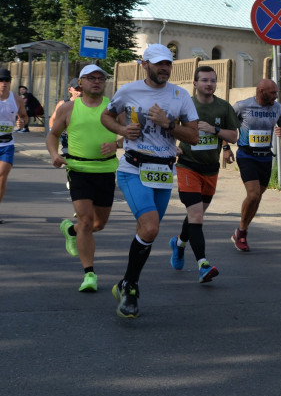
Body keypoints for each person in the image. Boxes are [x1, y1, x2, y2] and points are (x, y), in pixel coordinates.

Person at [101, 44, 199, 318]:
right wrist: (121, 129)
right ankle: (131, 287)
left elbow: (193, 136)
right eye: (158, 64)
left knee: (147, 232)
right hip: (133, 168)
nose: (164, 68)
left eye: (168, 63)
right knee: (151, 227)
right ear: (145, 64)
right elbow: (106, 115)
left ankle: (124, 283)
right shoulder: (129, 90)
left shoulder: (181, 96)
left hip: (163, 172)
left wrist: (169, 124)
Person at [47, 65, 120, 292]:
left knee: (98, 224)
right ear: (81, 82)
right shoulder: (69, 108)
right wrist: (54, 154)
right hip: (77, 168)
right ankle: (89, 274)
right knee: (87, 222)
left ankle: (71, 230)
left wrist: (116, 143)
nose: (96, 82)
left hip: (106, 170)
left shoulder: (114, 107)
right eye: (91, 78)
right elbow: (53, 134)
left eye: (101, 78)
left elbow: (131, 133)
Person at [169, 65, 239, 283]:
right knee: (197, 216)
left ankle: (179, 243)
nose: (209, 84)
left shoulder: (223, 107)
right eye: (205, 80)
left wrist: (215, 131)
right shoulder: (184, 104)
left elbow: (234, 136)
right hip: (188, 165)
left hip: (211, 169)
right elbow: (168, 128)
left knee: (195, 216)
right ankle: (203, 265)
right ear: (195, 83)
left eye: (212, 80)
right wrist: (174, 147)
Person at [231, 78, 281, 252]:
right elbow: (228, 125)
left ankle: (241, 230)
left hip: (265, 156)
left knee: (257, 197)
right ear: (260, 91)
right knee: (253, 194)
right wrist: (227, 148)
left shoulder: (277, 108)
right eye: (273, 92)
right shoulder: (242, 106)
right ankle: (242, 232)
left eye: (276, 92)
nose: (276, 95)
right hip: (246, 155)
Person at [0, 67, 29, 222]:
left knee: (2, 178)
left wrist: (22, 123)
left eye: (6, 80)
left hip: (6, 144)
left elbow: (24, 117)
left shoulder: (16, 99)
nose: (3, 83)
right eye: (1, 80)